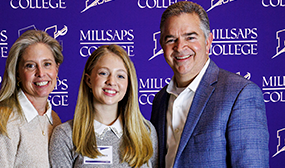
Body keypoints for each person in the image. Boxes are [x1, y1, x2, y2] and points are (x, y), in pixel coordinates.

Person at [150, 1, 269, 168]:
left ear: (208, 42)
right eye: (171, 39)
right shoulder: (160, 100)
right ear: (162, 45)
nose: (180, 47)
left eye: (190, 37)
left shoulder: (241, 94)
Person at [49, 44, 158, 167]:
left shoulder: (146, 131)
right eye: (103, 73)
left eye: (120, 76)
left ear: (128, 83)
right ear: (88, 80)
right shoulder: (66, 135)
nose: (111, 81)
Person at [0, 30, 63, 167]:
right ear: (17, 72)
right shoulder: (1, 121)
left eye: (47, 64)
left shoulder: (53, 119)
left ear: (56, 69)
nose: (41, 73)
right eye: (30, 66)